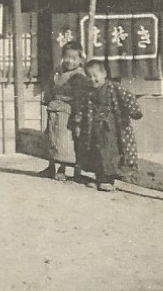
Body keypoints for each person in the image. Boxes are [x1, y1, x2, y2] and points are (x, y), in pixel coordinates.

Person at [69, 58, 142, 192]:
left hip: (111, 128)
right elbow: (79, 108)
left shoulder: (114, 87)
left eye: (95, 76)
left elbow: (128, 97)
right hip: (93, 127)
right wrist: (77, 123)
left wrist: (135, 111)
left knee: (109, 153)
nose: (92, 79)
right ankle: (99, 178)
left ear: (104, 74)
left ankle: (108, 180)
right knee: (95, 152)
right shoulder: (87, 92)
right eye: (89, 76)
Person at [39, 40, 90, 180]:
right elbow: (50, 85)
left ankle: (63, 169)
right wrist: (47, 97)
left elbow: (80, 96)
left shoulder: (79, 75)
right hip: (53, 108)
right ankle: (51, 167)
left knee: (65, 142)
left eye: (74, 58)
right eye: (67, 57)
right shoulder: (57, 70)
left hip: (69, 111)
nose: (70, 61)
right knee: (51, 138)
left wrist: (79, 112)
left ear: (80, 59)